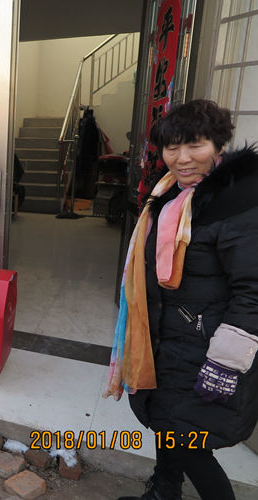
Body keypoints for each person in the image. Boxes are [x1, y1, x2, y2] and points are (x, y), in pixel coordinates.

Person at [105, 100, 258, 500]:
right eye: (172, 147)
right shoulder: (171, 193)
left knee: (191, 444)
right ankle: (164, 490)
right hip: (169, 337)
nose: (183, 158)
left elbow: (253, 291)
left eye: (195, 145)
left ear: (218, 145)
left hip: (207, 347)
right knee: (168, 422)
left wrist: (224, 361)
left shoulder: (240, 203)